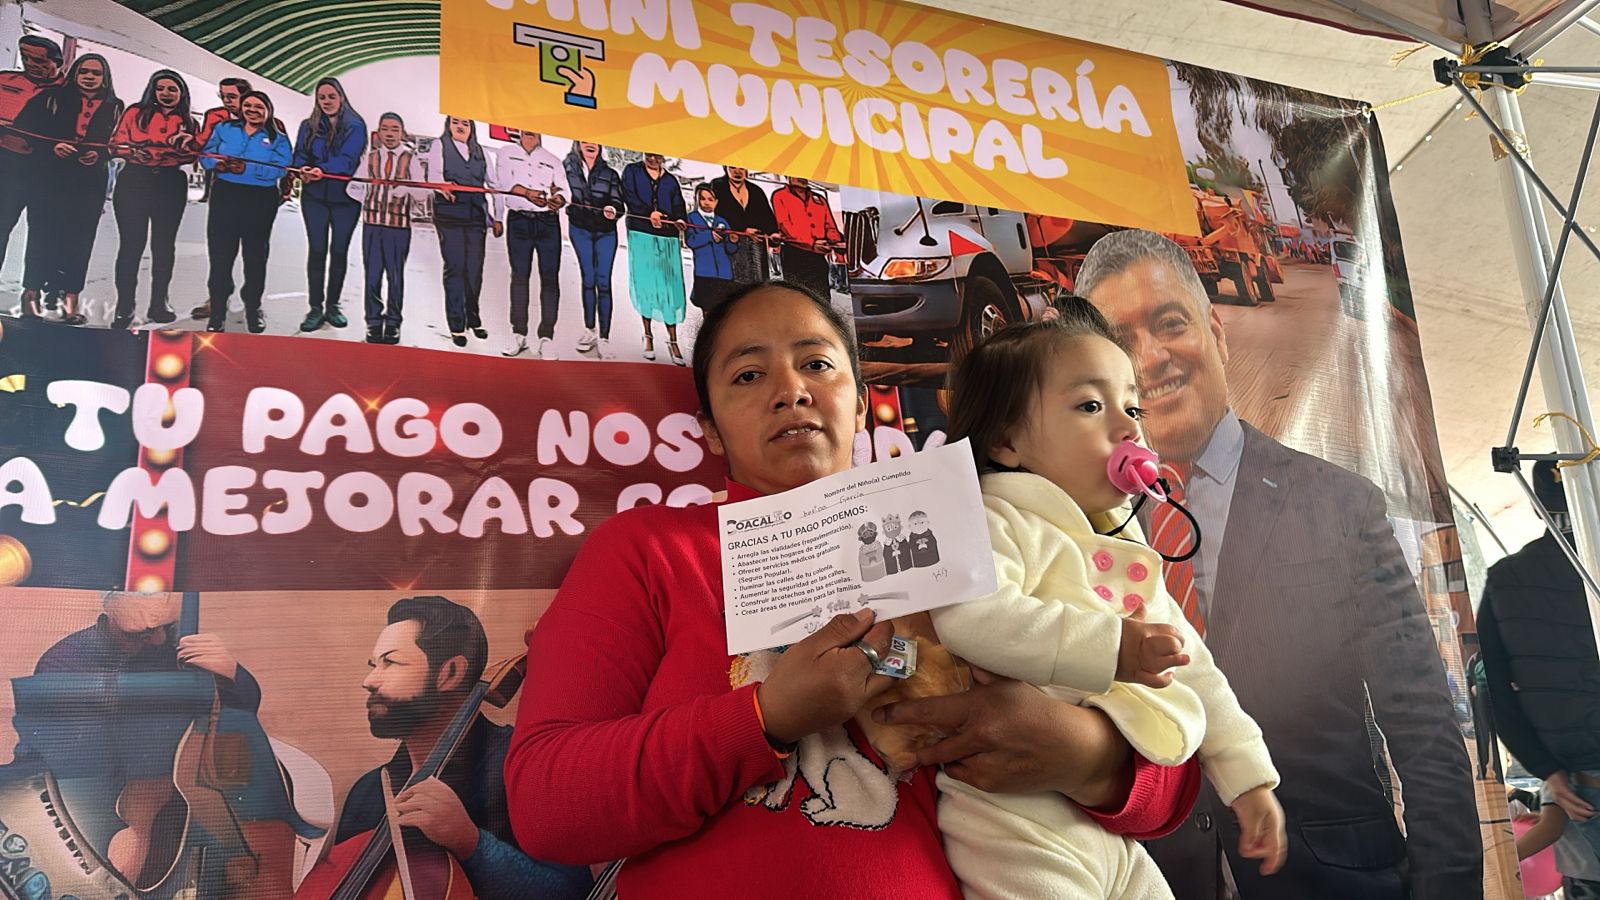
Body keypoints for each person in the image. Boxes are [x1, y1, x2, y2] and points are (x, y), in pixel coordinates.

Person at [504, 280, 1201, 898]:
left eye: (816, 364)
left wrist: (1087, 755)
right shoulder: (648, 550)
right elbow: (545, 805)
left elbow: (1172, 777)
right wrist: (765, 718)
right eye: (748, 375)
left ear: (863, 405)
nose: (791, 391)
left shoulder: (975, 530)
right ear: (709, 430)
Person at [1075, 229, 1480, 899]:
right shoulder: (1082, 531)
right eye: (1120, 345)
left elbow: (1423, 728)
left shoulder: (1341, 505)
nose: (1149, 358)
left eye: (1169, 323)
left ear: (1215, 331)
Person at [930, 308, 1284, 898]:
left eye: (1132, 408)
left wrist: (1246, 775)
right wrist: (1113, 646)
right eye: (1091, 406)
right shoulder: (993, 516)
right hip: (1011, 821)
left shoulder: (1119, 537)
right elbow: (970, 618)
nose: (1127, 426)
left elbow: (1189, 662)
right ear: (1006, 442)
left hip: (1107, 833)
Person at [301, 595, 593, 898]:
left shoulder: (525, 765)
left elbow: (574, 893)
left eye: (390, 662)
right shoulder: (368, 791)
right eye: (374, 665)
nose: (369, 680)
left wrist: (471, 843)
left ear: (450, 673)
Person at [19, 591, 307, 897]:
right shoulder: (65, 661)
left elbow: (243, 708)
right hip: (105, 788)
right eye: (142, 633)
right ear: (111, 616)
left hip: (183, 781)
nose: (158, 640)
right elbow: (70, 758)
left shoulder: (176, 651)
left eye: (166, 628)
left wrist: (231, 673)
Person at [1479, 460, 1600, 854]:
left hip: (1580, 782)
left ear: (1536, 505)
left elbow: (1492, 689)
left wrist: (1546, 770)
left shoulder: (1504, 580)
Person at [14, 53, 121, 326]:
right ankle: (31, 294)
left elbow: (120, 142)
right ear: (75, 73)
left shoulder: (116, 107)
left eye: (96, 73)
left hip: (89, 181)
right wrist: (52, 146)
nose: (89, 77)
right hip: (50, 177)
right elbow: (24, 127)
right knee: (42, 235)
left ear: (105, 77)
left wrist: (101, 155)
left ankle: (69, 299)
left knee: (80, 241)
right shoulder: (51, 97)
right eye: (84, 71)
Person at [109, 69, 199, 330]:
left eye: (172, 89)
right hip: (134, 180)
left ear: (181, 93)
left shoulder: (190, 121)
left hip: (170, 183)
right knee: (131, 245)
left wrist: (183, 149)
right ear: (152, 90)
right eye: (160, 88)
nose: (166, 93)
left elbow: (195, 155)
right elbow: (116, 144)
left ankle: (159, 303)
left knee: (164, 246)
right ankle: (124, 306)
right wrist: (135, 152)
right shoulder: (135, 112)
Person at [189, 76, 281, 320]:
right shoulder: (219, 122)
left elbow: (282, 165)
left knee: (255, 253)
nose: (227, 101)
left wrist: (252, 171)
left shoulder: (275, 128)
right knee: (220, 251)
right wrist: (213, 162)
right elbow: (204, 150)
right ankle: (217, 302)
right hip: (225, 193)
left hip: (260, 198)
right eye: (223, 96)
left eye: (232, 96)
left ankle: (253, 304)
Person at [420, 116, 501, 348]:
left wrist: (498, 216)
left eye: (465, 123)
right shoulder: (440, 145)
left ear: (471, 127)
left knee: (474, 270)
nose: (460, 126)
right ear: (448, 125)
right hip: (449, 215)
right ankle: (456, 324)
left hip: (476, 217)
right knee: (455, 267)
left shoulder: (482, 152)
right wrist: (442, 186)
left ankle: (473, 319)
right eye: (455, 122)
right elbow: (434, 176)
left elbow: (494, 185)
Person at [293, 77, 366, 332]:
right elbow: (299, 154)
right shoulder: (308, 125)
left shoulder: (356, 126)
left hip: (346, 200)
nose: (326, 101)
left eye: (331, 96)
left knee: (338, 251)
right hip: (314, 197)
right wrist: (301, 169)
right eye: (321, 97)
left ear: (341, 97)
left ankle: (333, 305)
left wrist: (320, 170)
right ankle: (315, 307)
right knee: (317, 250)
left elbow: (348, 160)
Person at [346, 112, 425, 345]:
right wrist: (369, 197)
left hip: (398, 227)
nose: (390, 134)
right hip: (372, 224)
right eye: (385, 129)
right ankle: (372, 321)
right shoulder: (371, 157)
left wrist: (406, 189)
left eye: (394, 129)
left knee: (395, 276)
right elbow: (353, 187)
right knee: (372, 275)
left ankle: (393, 323)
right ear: (379, 132)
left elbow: (424, 191)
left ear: (402, 133)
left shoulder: (411, 158)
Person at [493, 128, 565, 358]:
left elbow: (564, 189)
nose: (530, 132)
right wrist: (526, 193)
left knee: (550, 279)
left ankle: (546, 337)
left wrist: (559, 198)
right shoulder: (505, 153)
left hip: (548, 223)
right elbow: (504, 184)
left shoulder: (553, 160)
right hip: (519, 221)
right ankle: (519, 334)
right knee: (519, 276)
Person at [0, 35, 62, 276]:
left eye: (39, 60)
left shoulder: (70, 92)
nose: (31, 64)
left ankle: (33, 291)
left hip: (47, 172)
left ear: (58, 62)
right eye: (26, 58)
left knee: (44, 234)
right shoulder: (4, 80)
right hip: (6, 167)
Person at [621, 152, 687, 365]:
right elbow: (629, 197)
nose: (652, 158)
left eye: (657, 155)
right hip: (641, 233)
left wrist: (679, 220)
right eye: (649, 154)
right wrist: (649, 213)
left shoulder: (671, 180)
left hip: (668, 237)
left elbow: (679, 206)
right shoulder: (632, 171)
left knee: (670, 289)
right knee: (646, 285)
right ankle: (647, 335)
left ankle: (673, 340)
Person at [563, 140, 624, 359]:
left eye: (594, 142)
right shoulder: (567, 168)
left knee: (603, 282)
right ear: (577, 144)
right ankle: (590, 330)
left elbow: (619, 203)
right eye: (585, 141)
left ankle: (604, 338)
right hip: (580, 230)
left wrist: (613, 209)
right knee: (588, 278)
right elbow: (559, 192)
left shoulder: (610, 174)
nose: (590, 145)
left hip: (606, 233)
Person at [1516, 779, 1600, 900]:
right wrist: (1549, 816)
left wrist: (1505, 859)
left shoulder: (1558, 777)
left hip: (1589, 877)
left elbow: (1551, 829)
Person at [771, 175, 841, 298]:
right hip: (794, 254)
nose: (802, 178)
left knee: (822, 296)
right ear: (788, 176)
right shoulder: (780, 196)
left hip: (818, 256)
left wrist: (835, 242)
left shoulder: (819, 199)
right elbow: (784, 225)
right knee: (799, 297)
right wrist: (812, 244)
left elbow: (830, 225)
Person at [709, 165, 779, 284]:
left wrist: (773, 233)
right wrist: (742, 229)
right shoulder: (717, 186)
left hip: (756, 245)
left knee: (758, 283)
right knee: (735, 283)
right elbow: (716, 214)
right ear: (726, 168)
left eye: (741, 168)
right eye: (733, 167)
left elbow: (767, 216)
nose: (737, 171)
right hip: (731, 243)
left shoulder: (756, 190)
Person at [685, 183, 736, 311]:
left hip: (724, 273)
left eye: (710, 199)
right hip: (704, 271)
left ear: (716, 202)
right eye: (703, 198)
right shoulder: (692, 218)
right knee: (707, 307)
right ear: (697, 200)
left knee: (723, 307)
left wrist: (732, 241)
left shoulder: (722, 221)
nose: (706, 202)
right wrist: (709, 235)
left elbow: (731, 250)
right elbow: (690, 241)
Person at [1464, 646, 1501, 781]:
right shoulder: (1474, 659)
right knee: (1487, 735)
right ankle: (1490, 770)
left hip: (1486, 699)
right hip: (1482, 700)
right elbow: (1468, 681)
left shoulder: (1476, 659)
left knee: (1489, 736)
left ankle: (1495, 770)